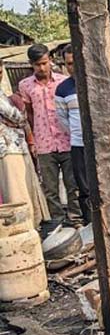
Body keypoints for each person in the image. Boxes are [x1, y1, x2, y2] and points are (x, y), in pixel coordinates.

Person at [19, 44, 82, 227]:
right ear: (31, 64)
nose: (42, 68)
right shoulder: (25, 86)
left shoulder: (63, 82)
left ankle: (75, 218)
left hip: (67, 140)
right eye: (37, 64)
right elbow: (28, 115)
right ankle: (57, 222)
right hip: (44, 143)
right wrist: (32, 140)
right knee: (50, 187)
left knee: (73, 184)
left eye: (45, 63)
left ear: (51, 60)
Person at [0, 62, 50, 226]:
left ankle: (31, 225)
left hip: (16, 145)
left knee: (24, 186)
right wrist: (19, 112)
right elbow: (17, 116)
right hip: (7, 148)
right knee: (17, 190)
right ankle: (24, 226)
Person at [54, 45, 90, 224]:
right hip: (78, 144)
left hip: (100, 144)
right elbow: (63, 119)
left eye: (76, 62)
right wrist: (77, 133)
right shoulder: (62, 89)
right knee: (84, 188)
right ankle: (91, 224)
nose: (73, 67)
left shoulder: (96, 82)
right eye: (69, 64)